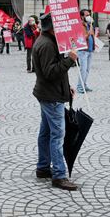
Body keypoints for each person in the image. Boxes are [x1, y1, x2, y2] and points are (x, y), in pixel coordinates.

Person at [32, 12, 79, 191]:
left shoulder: (48, 41)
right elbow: (50, 73)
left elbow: (54, 73)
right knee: (57, 135)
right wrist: (70, 60)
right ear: (52, 28)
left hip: (49, 93)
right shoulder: (47, 45)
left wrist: (67, 89)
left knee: (45, 132)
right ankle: (59, 175)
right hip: (51, 97)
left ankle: (43, 167)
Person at [76, 9, 97, 93]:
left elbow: (92, 36)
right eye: (86, 15)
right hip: (83, 50)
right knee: (83, 69)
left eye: (89, 14)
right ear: (82, 16)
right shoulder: (80, 26)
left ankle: (84, 85)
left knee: (87, 69)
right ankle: (80, 87)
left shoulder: (88, 25)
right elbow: (83, 37)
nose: (88, 16)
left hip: (90, 50)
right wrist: (89, 32)